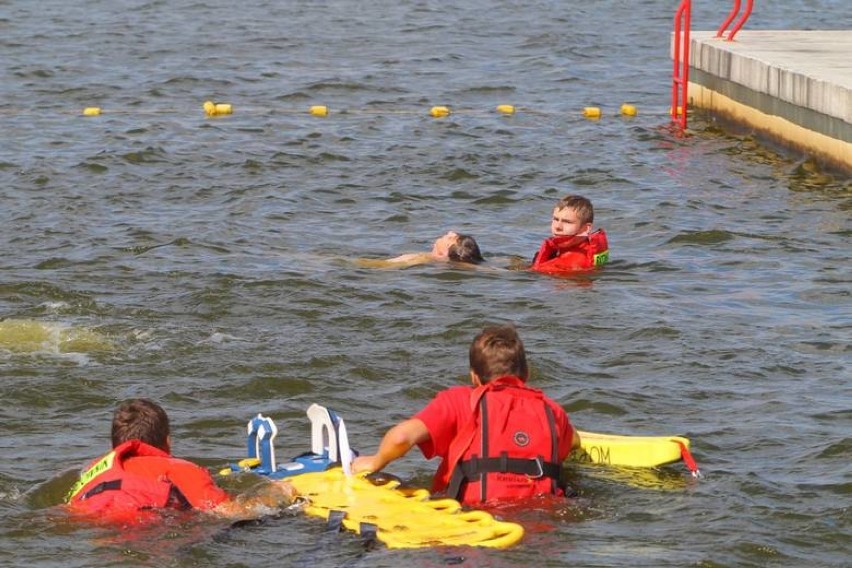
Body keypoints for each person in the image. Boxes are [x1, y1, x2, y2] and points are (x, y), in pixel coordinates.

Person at [352, 324, 580, 505]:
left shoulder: (459, 401)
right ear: (526, 374)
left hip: (476, 519)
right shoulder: (553, 411)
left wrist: (375, 461)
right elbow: (572, 442)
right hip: (542, 522)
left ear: (474, 377)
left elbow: (401, 438)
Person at [64, 398, 297, 522]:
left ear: (115, 445)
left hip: (91, 531)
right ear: (167, 442)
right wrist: (276, 495)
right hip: (142, 533)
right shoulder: (179, 469)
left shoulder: (93, 470)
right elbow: (231, 512)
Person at [530, 195, 609, 274]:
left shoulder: (568, 264)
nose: (558, 227)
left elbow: (534, 273)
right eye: (556, 219)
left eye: (567, 222)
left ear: (585, 228)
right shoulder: (587, 246)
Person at [358, 231, 484, 268]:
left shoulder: (420, 258)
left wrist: (340, 261)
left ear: (444, 252)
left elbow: (380, 265)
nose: (450, 232)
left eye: (451, 238)